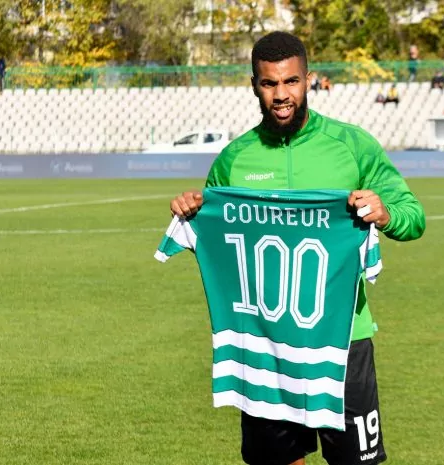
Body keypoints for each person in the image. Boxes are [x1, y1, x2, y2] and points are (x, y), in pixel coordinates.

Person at [169, 31, 425, 465]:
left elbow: (413, 216)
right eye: (269, 83)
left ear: (309, 80)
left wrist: (386, 214)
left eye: (291, 81)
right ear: (255, 85)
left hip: (342, 341)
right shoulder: (234, 159)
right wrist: (193, 214)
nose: (281, 95)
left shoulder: (352, 146)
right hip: (266, 348)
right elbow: (224, 248)